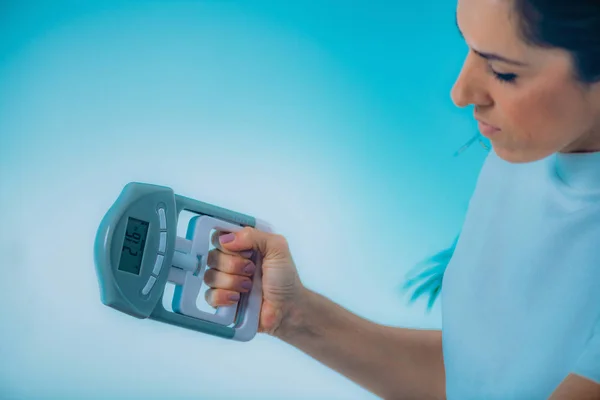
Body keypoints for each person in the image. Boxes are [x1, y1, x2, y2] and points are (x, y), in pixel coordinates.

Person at [202, 0, 600, 398]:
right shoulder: (524, 152)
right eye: (469, 46)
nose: (460, 92)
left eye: (503, 71)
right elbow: (478, 380)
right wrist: (291, 314)